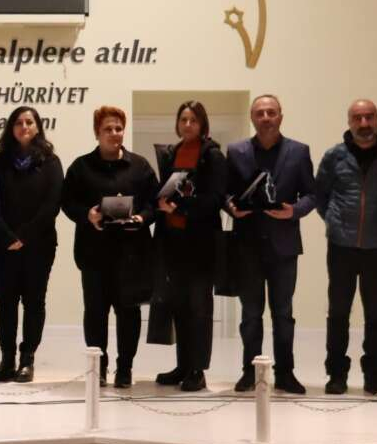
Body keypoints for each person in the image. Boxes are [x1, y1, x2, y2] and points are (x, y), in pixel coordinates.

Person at [314, 99, 377, 397]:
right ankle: (336, 375)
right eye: (358, 118)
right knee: (338, 313)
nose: (364, 123)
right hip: (341, 246)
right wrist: (334, 222)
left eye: (369, 117)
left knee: (375, 315)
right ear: (349, 122)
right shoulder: (334, 156)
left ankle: (374, 377)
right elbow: (320, 195)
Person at [225, 95, 317, 394]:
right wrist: (230, 207)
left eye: (271, 112)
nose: (266, 117)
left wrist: (295, 210)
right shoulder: (236, 151)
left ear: (280, 116)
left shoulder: (299, 151)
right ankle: (250, 372)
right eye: (260, 113)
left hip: (284, 246)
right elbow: (225, 192)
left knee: (283, 315)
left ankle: (286, 373)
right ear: (252, 118)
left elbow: (312, 194)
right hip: (247, 246)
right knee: (251, 315)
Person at [61, 105, 157, 388]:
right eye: (108, 129)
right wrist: (87, 215)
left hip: (132, 255)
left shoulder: (140, 166)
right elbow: (67, 202)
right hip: (93, 255)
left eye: (118, 128)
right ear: (97, 133)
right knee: (95, 313)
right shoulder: (80, 167)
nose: (114, 133)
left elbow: (154, 203)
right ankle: (98, 367)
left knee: (129, 313)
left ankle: (125, 368)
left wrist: (142, 217)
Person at [153, 101, 227, 393]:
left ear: (202, 124)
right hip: (173, 242)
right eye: (183, 119)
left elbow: (215, 199)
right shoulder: (171, 154)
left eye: (193, 120)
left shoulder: (213, 156)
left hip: (201, 243)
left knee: (199, 308)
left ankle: (198, 370)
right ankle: (183, 365)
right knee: (179, 306)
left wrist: (180, 208)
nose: (187, 124)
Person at [0, 105, 62, 384]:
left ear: (37, 127)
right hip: (4, 245)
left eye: (29, 122)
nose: (24, 127)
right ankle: (7, 358)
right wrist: (8, 236)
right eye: (19, 122)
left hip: (39, 245)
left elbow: (52, 204)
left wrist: (24, 236)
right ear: (11, 128)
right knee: (6, 302)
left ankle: (27, 359)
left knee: (34, 302)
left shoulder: (50, 162)